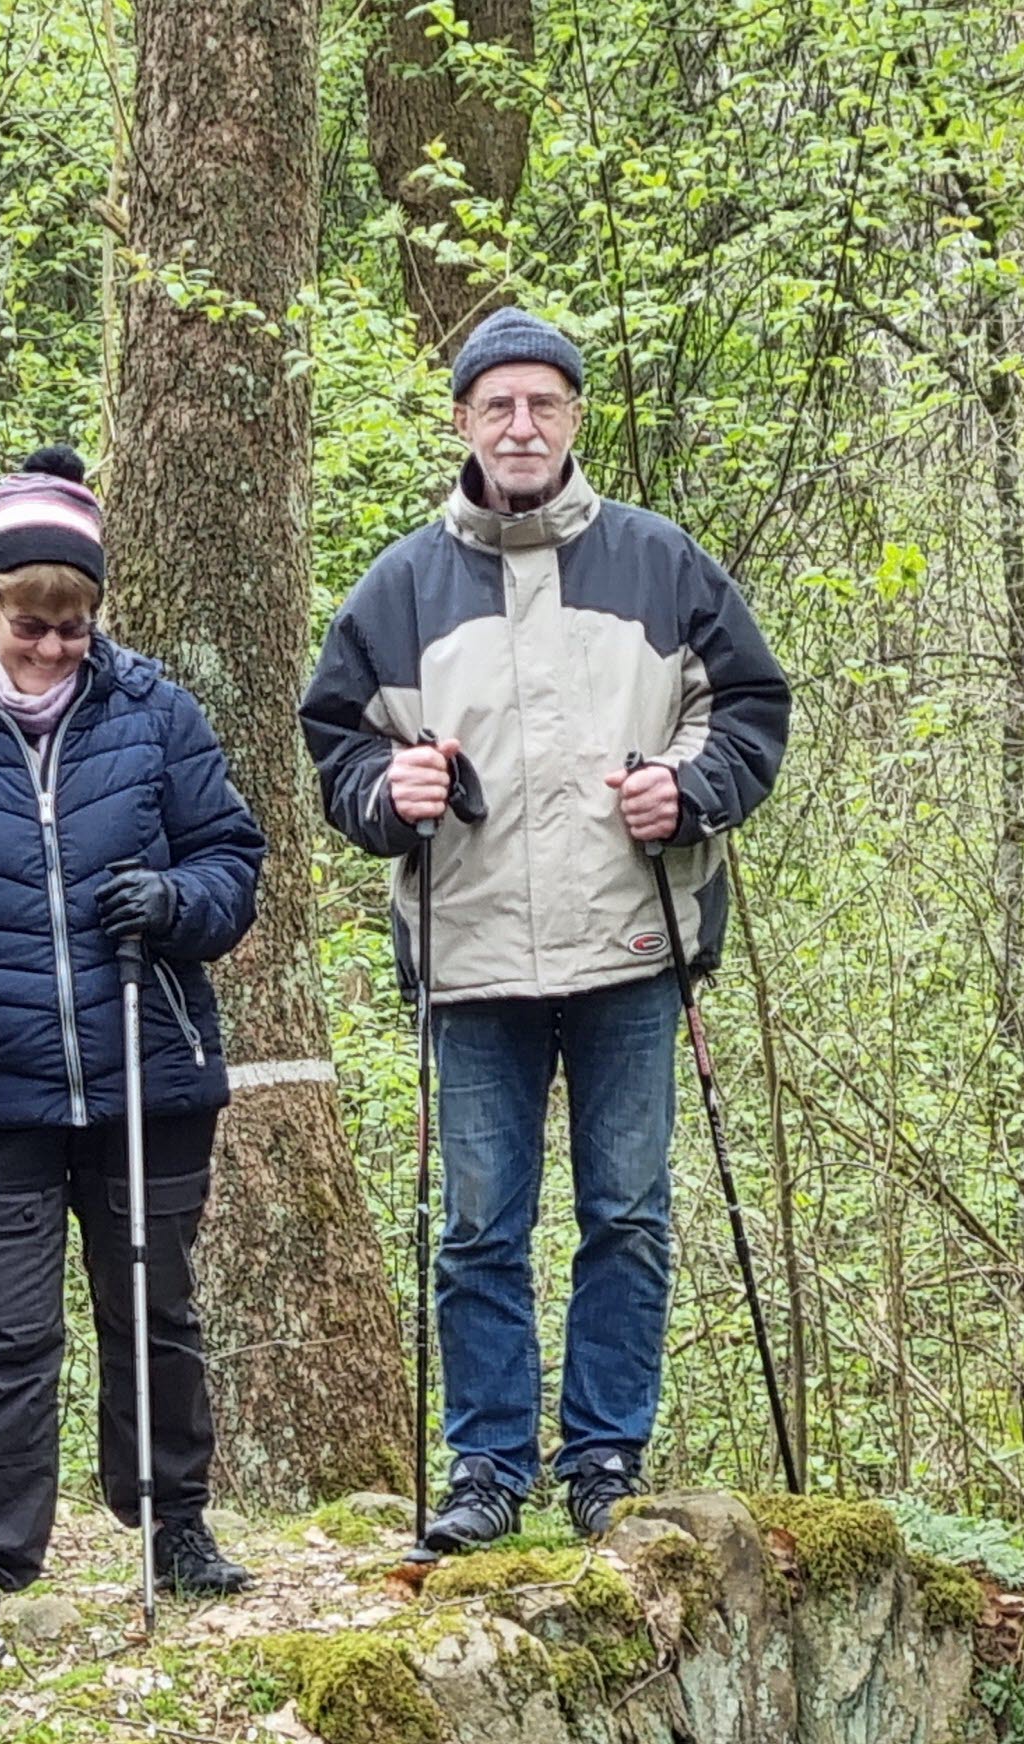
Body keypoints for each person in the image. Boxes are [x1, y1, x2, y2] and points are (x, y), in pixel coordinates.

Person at [301, 306, 793, 1554]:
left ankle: (606, 1461)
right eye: (498, 406)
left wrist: (691, 788)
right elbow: (338, 746)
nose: (522, 426)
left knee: (627, 1213)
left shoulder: (661, 562)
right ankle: (487, 1468)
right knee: (479, 1227)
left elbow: (750, 707)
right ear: (463, 423)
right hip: (471, 957)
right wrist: (388, 790)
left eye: (544, 404)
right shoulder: (400, 586)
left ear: (575, 418)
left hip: (634, 943)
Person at [0, 450, 267, 1671]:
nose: (55, 647)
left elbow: (233, 860)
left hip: (145, 1064)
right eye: (32, 623)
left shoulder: (157, 713)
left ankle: (173, 1524)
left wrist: (176, 901)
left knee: (154, 1310)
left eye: (75, 625)